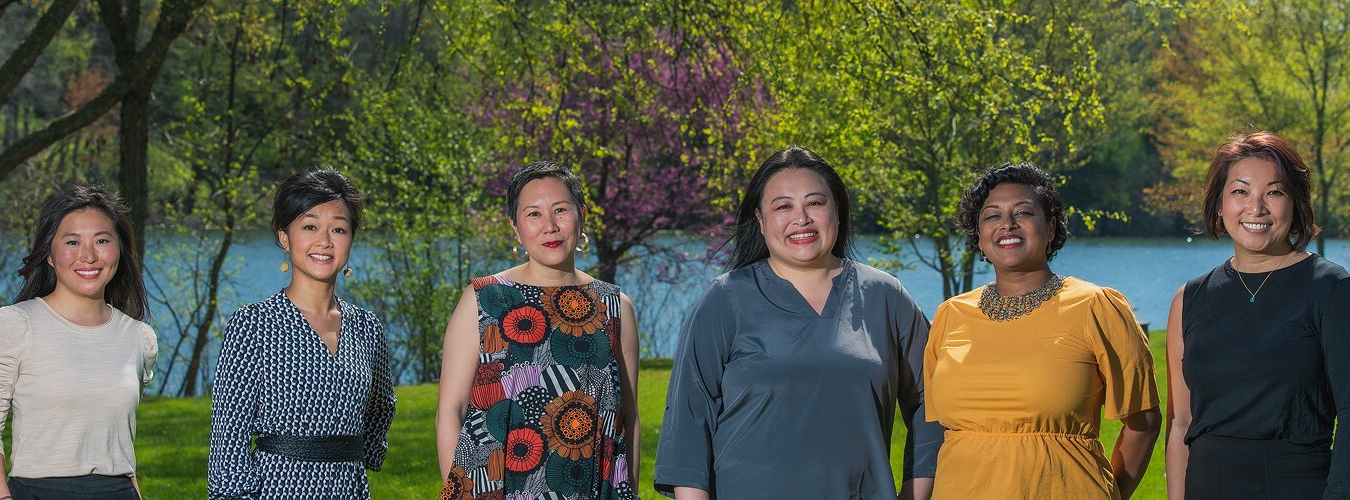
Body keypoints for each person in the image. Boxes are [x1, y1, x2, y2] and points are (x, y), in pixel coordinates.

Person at [654, 146, 940, 499]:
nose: (801, 219)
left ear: (837, 210)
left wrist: (914, 493)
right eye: (783, 206)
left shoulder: (886, 296)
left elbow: (936, 402)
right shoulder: (724, 301)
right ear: (760, 220)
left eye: (815, 203)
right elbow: (688, 423)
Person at [924, 163, 1161, 499]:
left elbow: (1144, 423)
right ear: (979, 236)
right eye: (992, 216)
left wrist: (1108, 494)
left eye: (1023, 212)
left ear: (1050, 229)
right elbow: (944, 429)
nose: (1007, 224)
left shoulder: (1097, 306)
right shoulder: (950, 316)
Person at [1165, 132, 1350, 499]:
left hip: (1296, 486)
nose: (1256, 208)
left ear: (1295, 205)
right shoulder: (1190, 298)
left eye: (1274, 193)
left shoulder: (1331, 290)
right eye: (1240, 191)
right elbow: (1182, 422)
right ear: (1219, 205)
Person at [436, 161, 642, 499]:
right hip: (500, 488)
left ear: (582, 215)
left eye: (560, 210)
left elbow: (629, 420)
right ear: (516, 228)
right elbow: (451, 410)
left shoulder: (616, 306)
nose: (550, 226)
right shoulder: (485, 298)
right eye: (533, 214)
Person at [207, 168, 395, 499]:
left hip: (350, 488)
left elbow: (381, 406)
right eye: (309, 226)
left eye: (338, 229)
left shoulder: (367, 328)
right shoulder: (252, 324)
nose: (324, 241)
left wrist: (363, 452)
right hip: (276, 489)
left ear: (351, 238)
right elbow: (228, 437)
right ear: (284, 236)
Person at [0, 185, 156, 500]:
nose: (89, 255)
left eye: (102, 240)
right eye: (72, 242)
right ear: (50, 255)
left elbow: (120, 441)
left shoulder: (139, 338)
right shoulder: (14, 326)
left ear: (119, 249)